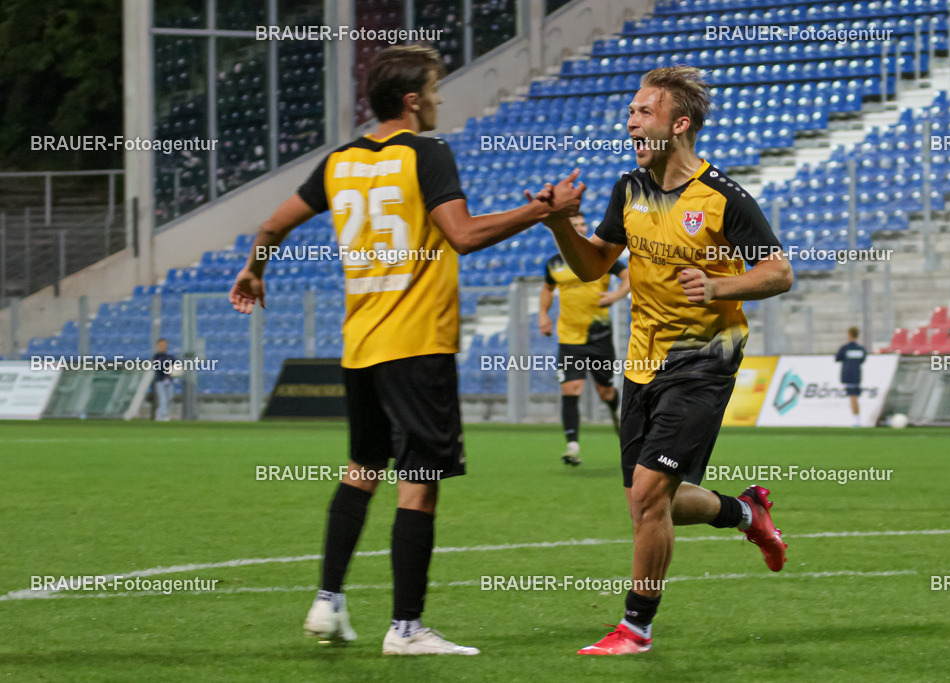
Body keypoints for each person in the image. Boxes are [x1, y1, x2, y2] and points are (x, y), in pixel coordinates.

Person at [229, 45, 583, 656]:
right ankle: (406, 628)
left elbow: (270, 227)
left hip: (361, 345)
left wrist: (254, 272)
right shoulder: (426, 152)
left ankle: (328, 602)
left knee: (363, 470)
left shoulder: (339, 162)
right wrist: (541, 211)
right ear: (413, 100)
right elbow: (463, 236)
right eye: (436, 89)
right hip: (417, 344)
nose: (442, 99)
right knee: (419, 482)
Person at [528, 66, 794, 655]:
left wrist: (721, 288)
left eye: (643, 112)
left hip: (704, 361)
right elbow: (594, 264)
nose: (629, 120)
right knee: (654, 501)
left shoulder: (723, 197)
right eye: (629, 111)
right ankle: (745, 514)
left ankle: (636, 627)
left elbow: (779, 271)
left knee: (648, 497)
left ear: (678, 124)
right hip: (640, 363)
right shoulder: (629, 188)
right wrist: (554, 225)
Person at [539, 214, 629, 465]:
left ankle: (616, 415)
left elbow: (627, 276)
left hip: (599, 337)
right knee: (571, 389)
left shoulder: (598, 256)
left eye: (581, 225)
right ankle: (572, 447)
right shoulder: (554, 264)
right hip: (569, 338)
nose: (579, 229)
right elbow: (547, 289)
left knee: (606, 392)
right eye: (574, 225)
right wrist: (543, 315)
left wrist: (616, 296)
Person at [835, 326, 868, 427]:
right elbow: (862, 360)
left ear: (848, 335)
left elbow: (837, 358)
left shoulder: (845, 348)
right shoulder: (861, 349)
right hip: (857, 375)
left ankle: (856, 420)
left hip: (848, 375)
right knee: (854, 397)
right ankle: (856, 419)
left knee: (853, 397)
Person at [152, 338, 175, 421]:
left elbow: (176, 366)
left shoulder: (170, 356)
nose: (163, 347)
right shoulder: (157, 356)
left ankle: (159, 412)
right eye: (161, 345)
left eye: (164, 345)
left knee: (170, 398)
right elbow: (160, 366)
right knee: (163, 398)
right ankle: (164, 415)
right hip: (160, 381)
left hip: (169, 381)